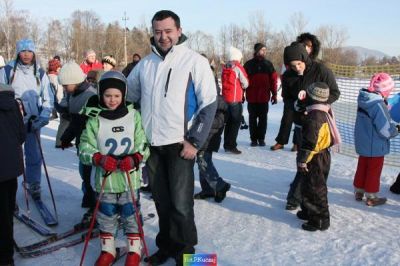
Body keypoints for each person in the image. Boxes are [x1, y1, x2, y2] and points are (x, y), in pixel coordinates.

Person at [127, 10, 217, 266]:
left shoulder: (194, 61)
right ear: (152, 34)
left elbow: (209, 104)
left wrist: (195, 142)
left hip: (180, 145)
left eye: (168, 31)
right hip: (152, 146)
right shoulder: (144, 65)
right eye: (158, 32)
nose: (163, 37)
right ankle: (166, 247)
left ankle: (189, 257)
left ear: (179, 31)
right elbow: (129, 96)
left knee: (181, 205)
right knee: (162, 202)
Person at [79, 70, 149, 265]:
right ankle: (108, 249)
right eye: (108, 95)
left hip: (129, 178)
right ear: (101, 95)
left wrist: (135, 158)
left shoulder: (133, 115)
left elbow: (143, 143)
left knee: (130, 213)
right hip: (105, 180)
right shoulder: (95, 118)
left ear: (123, 95)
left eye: (117, 96)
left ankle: (135, 249)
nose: (112, 100)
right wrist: (97, 158)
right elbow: (84, 146)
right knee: (105, 214)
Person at [281, 42, 340, 211]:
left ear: (305, 58)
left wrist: (318, 104)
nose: (297, 68)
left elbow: (335, 92)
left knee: (316, 162)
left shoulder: (321, 71)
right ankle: (300, 194)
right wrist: (294, 105)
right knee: (304, 160)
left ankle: (303, 195)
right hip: (302, 124)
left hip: (319, 123)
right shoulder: (288, 77)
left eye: (299, 64)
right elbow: (286, 98)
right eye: (293, 66)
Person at [0, 39, 54, 199]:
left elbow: (47, 99)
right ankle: (7, 189)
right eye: (23, 51)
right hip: (10, 122)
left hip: (32, 121)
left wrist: (43, 118)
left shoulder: (40, 72)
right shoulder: (8, 70)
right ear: (18, 52)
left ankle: (34, 183)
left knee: (34, 154)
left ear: (34, 53)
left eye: (29, 51)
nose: (26, 54)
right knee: (9, 155)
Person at [296, 82, 340, 231]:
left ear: (313, 97)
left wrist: (303, 160)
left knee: (316, 189)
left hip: (315, 158)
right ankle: (309, 211)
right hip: (322, 156)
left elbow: (310, 143)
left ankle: (319, 219)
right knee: (308, 186)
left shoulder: (315, 117)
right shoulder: (322, 110)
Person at [56, 61, 98, 215]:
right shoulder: (74, 94)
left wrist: (66, 137)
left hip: (93, 145)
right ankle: (90, 201)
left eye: (66, 85)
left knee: (90, 176)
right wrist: (66, 139)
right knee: (84, 173)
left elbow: (80, 123)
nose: (64, 88)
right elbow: (75, 122)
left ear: (74, 81)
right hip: (83, 143)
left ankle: (96, 208)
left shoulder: (90, 96)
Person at [271, 32, 322, 152]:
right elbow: (285, 72)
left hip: (306, 96)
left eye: (310, 46)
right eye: (305, 45)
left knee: (301, 121)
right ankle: (281, 141)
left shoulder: (314, 65)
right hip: (291, 93)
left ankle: (297, 143)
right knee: (287, 118)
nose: (308, 48)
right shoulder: (292, 56)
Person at [353, 73, 398, 206]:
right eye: (389, 91)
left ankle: (359, 191)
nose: (390, 93)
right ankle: (371, 196)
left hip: (363, 142)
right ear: (383, 90)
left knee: (362, 166)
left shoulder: (365, 99)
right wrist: (396, 130)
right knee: (374, 170)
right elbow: (384, 129)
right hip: (375, 145)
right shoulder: (377, 104)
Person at [194, 55, 231, 203]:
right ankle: (208, 189)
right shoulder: (200, 78)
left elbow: (213, 106)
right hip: (207, 126)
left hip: (210, 127)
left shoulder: (207, 80)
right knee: (203, 158)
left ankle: (219, 185)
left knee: (203, 158)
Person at [0, 84, 26, 266]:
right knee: (6, 212)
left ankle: (4, 257)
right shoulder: (14, 103)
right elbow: (21, 135)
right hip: (11, 167)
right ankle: (6, 255)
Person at [244, 43, 278, 147]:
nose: (264, 52)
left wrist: (275, 94)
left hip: (264, 97)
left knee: (263, 120)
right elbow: (242, 81)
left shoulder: (268, 64)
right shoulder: (248, 64)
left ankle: (261, 139)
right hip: (252, 97)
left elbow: (273, 80)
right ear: (257, 51)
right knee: (252, 119)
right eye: (262, 50)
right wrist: (242, 94)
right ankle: (253, 139)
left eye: (265, 50)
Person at [221, 46, 249, 154]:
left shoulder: (225, 67)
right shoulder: (238, 67)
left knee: (228, 123)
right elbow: (246, 83)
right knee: (235, 123)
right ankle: (231, 146)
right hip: (235, 99)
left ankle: (227, 145)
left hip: (225, 99)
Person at [47, 58, 69, 148]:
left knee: (64, 122)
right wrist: (62, 105)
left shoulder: (49, 76)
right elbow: (59, 93)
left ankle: (64, 140)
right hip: (60, 102)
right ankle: (60, 142)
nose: (60, 69)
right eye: (59, 68)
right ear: (55, 68)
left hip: (55, 103)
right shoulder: (56, 78)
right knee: (64, 122)